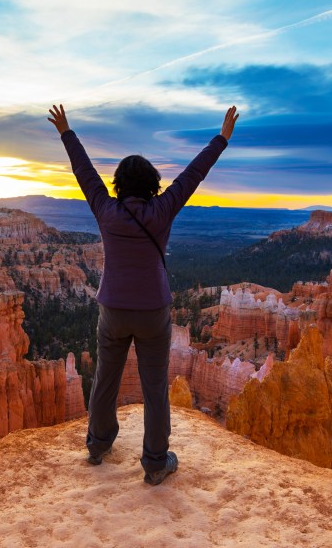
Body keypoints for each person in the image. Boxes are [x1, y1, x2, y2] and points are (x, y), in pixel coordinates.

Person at [48, 104, 238, 486]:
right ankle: (154, 462)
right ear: (152, 185)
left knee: (105, 379)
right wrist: (221, 138)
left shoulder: (105, 209)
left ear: (118, 184)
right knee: (154, 388)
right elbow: (193, 175)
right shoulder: (163, 209)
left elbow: (83, 172)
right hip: (153, 310)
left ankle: (98, 445)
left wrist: (66, 132)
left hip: (113, 309)